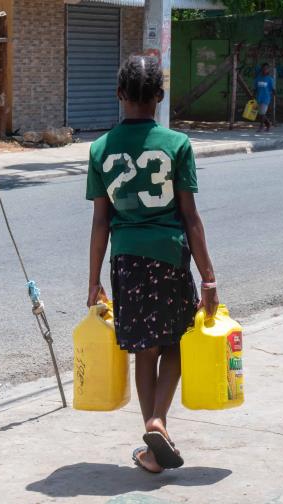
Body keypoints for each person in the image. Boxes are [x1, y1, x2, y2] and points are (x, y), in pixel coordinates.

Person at [86, 55, 219, 474]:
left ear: (120, 95)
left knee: (144, 350)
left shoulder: (99, 149)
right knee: (177, 342)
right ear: (159, 97)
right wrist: (209, 278)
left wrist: (93, 281)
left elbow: (101, 222)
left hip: (126, 261)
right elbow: (190, 217)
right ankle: (158, 421)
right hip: (169, 257)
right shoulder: (177, 145)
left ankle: (150, 446)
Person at [254, 63, 276, 132]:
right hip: (258, 97)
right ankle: (268, 124)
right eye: (263, 68)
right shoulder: (258, 78)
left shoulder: (269, 79)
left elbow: (273, 89)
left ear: (268, 70)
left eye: (266, 69)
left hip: (266, 98)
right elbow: (255, 88)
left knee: (262, 113)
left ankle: (261, 126)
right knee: (260, 113)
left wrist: (274, 96)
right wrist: (253, 96)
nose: (265, 70)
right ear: (261, 69)